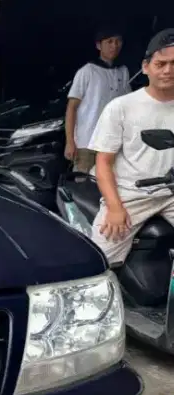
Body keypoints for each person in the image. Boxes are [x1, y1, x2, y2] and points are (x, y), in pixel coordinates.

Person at [89, 28, 174, 267]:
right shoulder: (122, 107)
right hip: (131, 193)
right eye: (161, 64)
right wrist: (115, 208)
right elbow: (103, 161)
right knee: (98, 261)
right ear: (146, 67)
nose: (168, 70)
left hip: (171, 193)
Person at [65, 29, 130, 174]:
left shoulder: (122, 71)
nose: (115, 45)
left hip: (113, 143)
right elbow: (72, 108)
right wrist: (70, 142)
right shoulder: (87, 71)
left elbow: (128, 105)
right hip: (87, 142)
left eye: (118, 41)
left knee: (110, 184)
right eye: (109, 42)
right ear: (99, 45)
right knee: (83, 187)